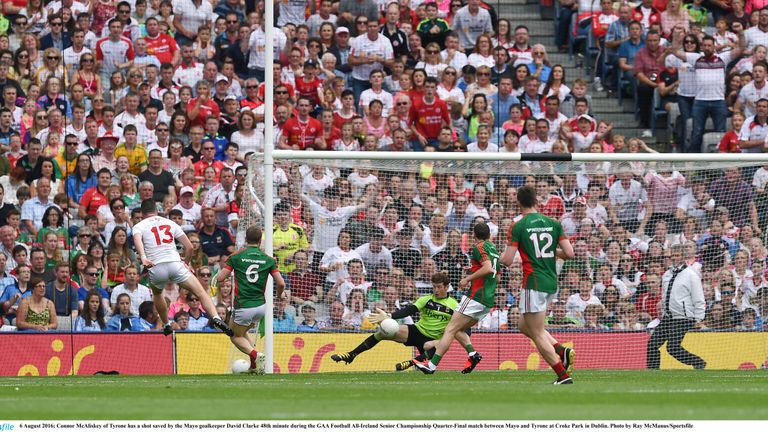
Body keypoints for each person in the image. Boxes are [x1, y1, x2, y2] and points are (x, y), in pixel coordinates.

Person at [500, 185, 576, 385]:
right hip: (551, 282)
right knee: (523, 325)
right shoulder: (553, 223)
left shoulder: (518, 225)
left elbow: (507, 260)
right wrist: (551, 253)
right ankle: (561, 350)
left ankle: (563, 375)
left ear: (518, 203)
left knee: (536, 332)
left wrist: (493, 258)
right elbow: (569, 254)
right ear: (536, 201)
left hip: (533, 282)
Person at [331, 272, 473, 371]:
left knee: (439, 346)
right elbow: (408, 310)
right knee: (383, 332)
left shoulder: (454, 305)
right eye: (434, 287)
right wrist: (388, 316)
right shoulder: (426, 299)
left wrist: (465, 334)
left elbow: (463, 325)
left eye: (439, 287)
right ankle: (351, 355)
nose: (436, 290)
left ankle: (411, 363)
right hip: (416, 331)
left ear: (446, 287)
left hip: (432, 339)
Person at [132, 199, 233, 337]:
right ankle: (216, 317)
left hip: (157, 266)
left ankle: (166, 323)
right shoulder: (169, 222)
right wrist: (185, 262)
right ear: (156, 210)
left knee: (157, 294)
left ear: (142, 213)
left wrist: (143, 257)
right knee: (201, 292)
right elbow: (190, 247)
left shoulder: (139, 225)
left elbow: (137, 239)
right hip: (175, 263)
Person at [413, 222, 499, 375]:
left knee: (450, 328)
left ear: (474, 235)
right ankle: (473, 354)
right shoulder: (493, 248)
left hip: (476, 297)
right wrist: (473, 270)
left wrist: (468, 279)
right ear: (489, 235)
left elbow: (488, 268)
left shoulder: (479, 248)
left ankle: (431, 365)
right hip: (487, 300)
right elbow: (494, 272)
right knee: (457, 328)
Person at [212, 226, 286, 374]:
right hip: (261, 307)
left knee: (234, 336)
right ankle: (255, 365)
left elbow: (220, 278)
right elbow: (281, 283)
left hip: (243, 305)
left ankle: (255, 355)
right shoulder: (269, 259)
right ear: (260, 240)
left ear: (246, 239)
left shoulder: (236, 257)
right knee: (242, 332)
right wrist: (279, 295)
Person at [646, 244, 707, 370]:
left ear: (684, 256)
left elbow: (699, 298)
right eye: (672, 255)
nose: (674, 258)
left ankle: (698, 362)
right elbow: (664, 294)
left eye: (677, 255)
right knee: (652, 344)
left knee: (672, 347)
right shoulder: (667, 274)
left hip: (683, 317)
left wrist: (699, 318)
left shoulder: (691, 275)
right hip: (668, 316)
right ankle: (652, 371)